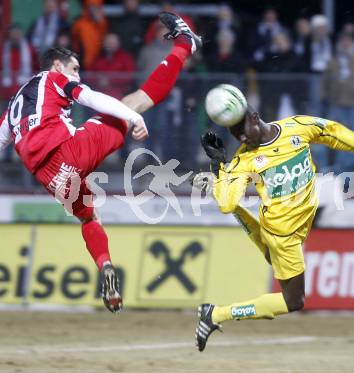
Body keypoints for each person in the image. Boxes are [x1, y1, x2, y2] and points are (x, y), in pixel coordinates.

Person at [0, 12, 202, 313]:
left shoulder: (14, 107)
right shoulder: (53, 78)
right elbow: (91, 98)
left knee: (89, 218)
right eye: (75, 69)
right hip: (70, 151)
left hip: (49, 177)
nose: (78, 75)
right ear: (58, 66)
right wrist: (132, 117)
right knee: (136, 100)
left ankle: (105, 264)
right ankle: (185, 45)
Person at [195, 109, 354, 352]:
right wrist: (219, 167)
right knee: (293, 300)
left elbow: (331, 131)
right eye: (235, 135)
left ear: (255, 117)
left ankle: (261, 248)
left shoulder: (296, 127)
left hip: (295, 222)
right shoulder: (243, 160)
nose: (241, 139)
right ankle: (216, 314)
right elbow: (227, 203)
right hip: (283, 235)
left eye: (242, 131)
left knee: (270, 256)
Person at [321, 32, 354, 173]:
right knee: (334, 137)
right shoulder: (333, 61)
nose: (345, 44)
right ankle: (336, 170)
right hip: (336, 103)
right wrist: (325, 96)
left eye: (348, 41)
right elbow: (325, 80)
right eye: (343, 41)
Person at [71, 0, 108, 69]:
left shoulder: (103, 24)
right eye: (92, 7)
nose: (94, 10)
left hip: (98, 63)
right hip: (82, 62)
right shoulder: (80, 23)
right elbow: (74, 42)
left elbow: (105, 41)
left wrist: (100, 22)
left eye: (97, 8)